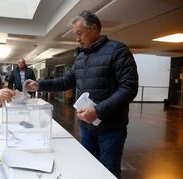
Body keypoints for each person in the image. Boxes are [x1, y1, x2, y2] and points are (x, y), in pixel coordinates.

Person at [26, 11, 138, 179]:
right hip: (86, 127)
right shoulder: (81, 56)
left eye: (79, 33)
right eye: (75, 35)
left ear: (94, 28)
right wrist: (39, 85)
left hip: (110, 129)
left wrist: (98, 111)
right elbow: (66, 81)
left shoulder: (118, 51)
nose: (77, 39)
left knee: (108, 173)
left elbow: (129, 88)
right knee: (88, 169)